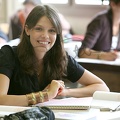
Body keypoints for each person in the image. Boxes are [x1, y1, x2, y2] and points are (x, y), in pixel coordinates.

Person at [0, 5, 109, 106]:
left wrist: (65, 92)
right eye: (39, 29)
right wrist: (45, 95)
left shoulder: (60, 57)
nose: (45, 36)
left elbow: (102, 88)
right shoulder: (8, 54)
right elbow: (1, 99)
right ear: (27, 30)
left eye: (52, 31)